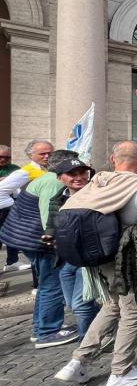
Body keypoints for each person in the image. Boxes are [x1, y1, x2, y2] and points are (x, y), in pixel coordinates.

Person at [54, 141, 137, 386]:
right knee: (133, 311)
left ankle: (78, 360)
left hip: (103, 257)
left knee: (112, 305)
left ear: (112, 158)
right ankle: (121, 372)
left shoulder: (99, 181)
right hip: (130, 259)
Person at [0, 148, 81, 347]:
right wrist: (56, 244)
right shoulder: (54, 182)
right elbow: (49, 217)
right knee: (53, 285)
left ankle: (41, 328)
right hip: (38, 241)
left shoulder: (49, 178)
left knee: (46, 284)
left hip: (28, 238)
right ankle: (48, 332)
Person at [47, 157, 101, 339]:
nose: (78, 177)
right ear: (60, 178)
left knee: (80, 303)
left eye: (82, 173)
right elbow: (52, 222)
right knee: (71, 303)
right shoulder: (58, 198)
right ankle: (104, 322)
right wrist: (49, 234)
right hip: (65, 259)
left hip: (87, 258)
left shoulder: (97, 194)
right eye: (72, 174)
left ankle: (87, 342)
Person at [0, 139, 54, 274]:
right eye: (42, 154)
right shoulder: (24, 172)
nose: (47, 156)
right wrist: (17, 207)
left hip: (46, 219)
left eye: (50, 153)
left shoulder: (50, 170)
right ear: (31, 155)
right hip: (32, 222)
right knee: (40, 259)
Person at [0, 144, 21, 268]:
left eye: (7, 157)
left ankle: (12, 261)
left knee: (11, 231)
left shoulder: (14, 168)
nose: (3, 159)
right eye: (0, 156)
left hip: (10, 203)